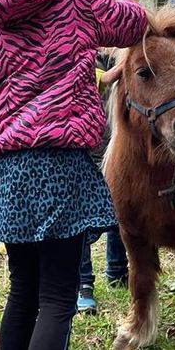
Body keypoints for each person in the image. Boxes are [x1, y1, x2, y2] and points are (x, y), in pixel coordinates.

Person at [0, 0, 148, 350]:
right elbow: (132, 23)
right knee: (59, 295)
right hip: (62, 163)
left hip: (7, 169)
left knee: (22, 289)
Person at [76, 50, 129, 315]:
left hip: (118, 147)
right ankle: (84, 283)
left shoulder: (128, 55)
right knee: (82, 219)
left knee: (120, 213)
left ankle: (118, 271)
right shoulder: (80, 51)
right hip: (86, 148)